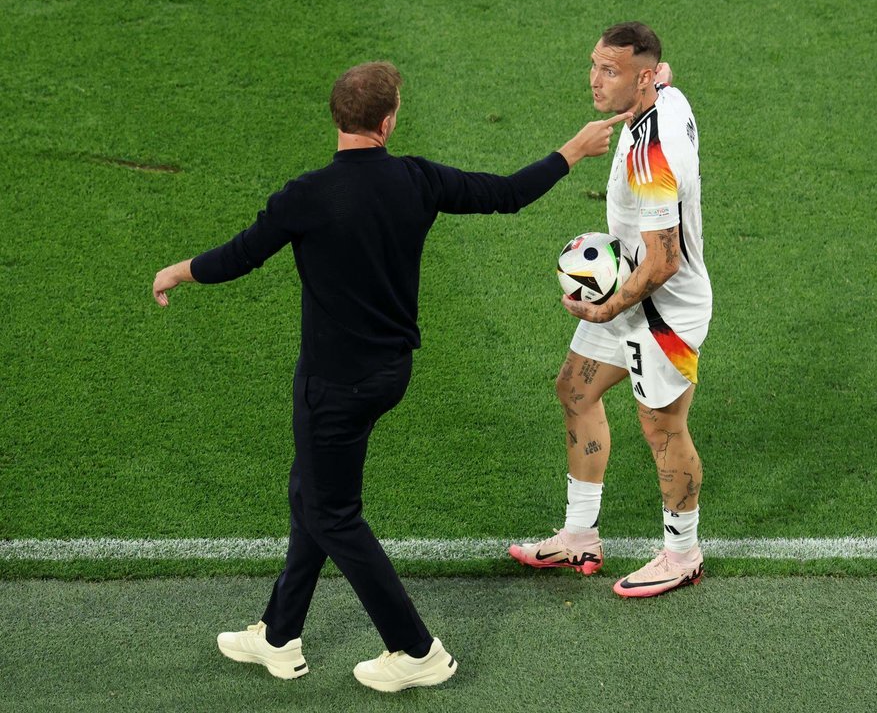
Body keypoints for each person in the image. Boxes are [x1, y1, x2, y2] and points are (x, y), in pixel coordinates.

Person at [152, 61, 630, 692]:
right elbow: (507, 193)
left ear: (338, 119)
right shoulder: (416, 179)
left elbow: (236, 258)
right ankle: (277, 635)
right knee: (310, 493)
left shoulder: (306, 194)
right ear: (387, 120)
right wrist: (574, 148)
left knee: (333, 512)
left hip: (331, 384)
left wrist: (175, 272)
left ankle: (416, 651)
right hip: (388, 373)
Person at [509, 21, 711, 598]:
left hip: (663, 313)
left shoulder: (653, 158)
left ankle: (682, 553)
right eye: (595, 65)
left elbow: (664, 261)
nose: (595, 80)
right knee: (575, 389)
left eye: (610, 71)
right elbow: (665, 74)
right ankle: (579, 536)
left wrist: (606, 308)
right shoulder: (665, 94)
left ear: (642, 78)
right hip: (633, 293)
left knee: (663, 427)